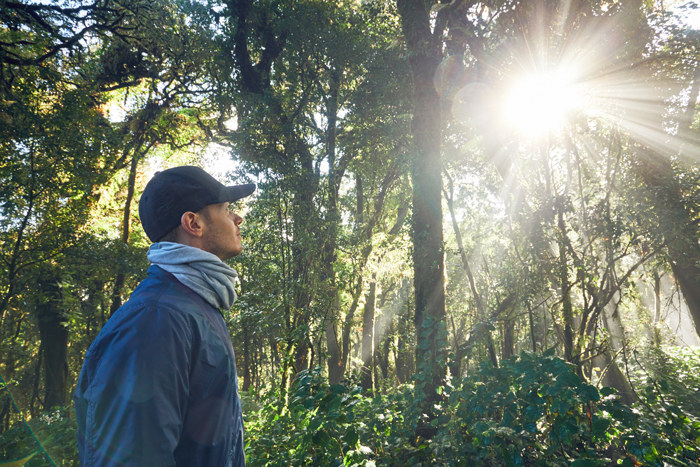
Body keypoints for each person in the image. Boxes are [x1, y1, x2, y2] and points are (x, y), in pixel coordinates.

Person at [74, 166, 255, 467]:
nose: (238, 218)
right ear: (193, 223)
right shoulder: (154, 320)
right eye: (225, 209)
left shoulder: (195, 306)